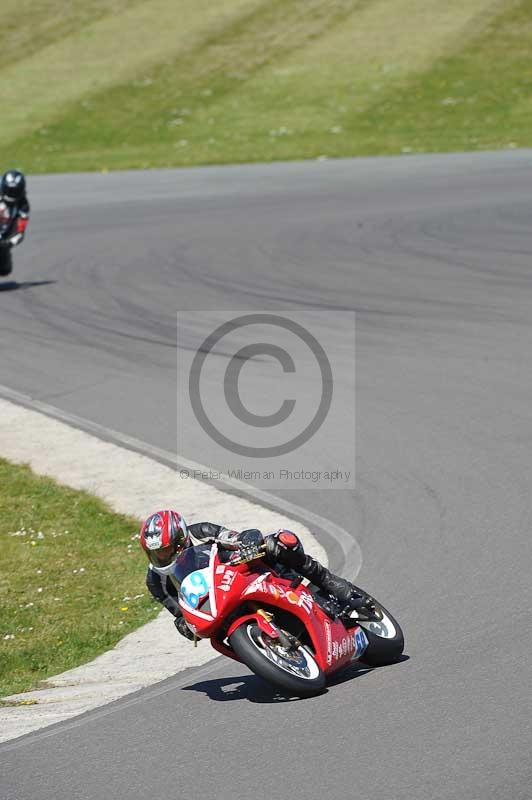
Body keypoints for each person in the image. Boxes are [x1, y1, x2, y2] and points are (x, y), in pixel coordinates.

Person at [140, 509, 374, 640]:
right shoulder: (155, 580)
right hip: (216, 605)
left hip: (242, 572)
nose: (163, 556)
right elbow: (177, 610)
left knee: (279, 543)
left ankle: (330, 584)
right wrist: (182, 622)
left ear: (181, 538)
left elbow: (233, 537)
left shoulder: (201, 532)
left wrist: (247, 541)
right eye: (157, 553)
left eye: (166, 550)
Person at [0, 170, 30, 277]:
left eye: (15, 191)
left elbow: (21, 230)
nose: (12, 194)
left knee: (5, 269)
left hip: (3, 235)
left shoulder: (23, 204)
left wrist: (8, 243)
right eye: (9, 190)